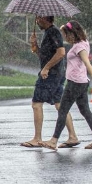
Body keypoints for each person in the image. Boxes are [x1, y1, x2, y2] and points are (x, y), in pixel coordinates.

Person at [40, 21, 92, 150]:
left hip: (75, 83)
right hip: (80, 82)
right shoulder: (82, 43)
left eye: (65, 34)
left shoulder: (80, 47)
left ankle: (53, 141)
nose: (64, 37)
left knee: (63, 110)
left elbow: (87, 63)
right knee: (85, 111)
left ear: (72, 33)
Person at [21, 16, 78, 148]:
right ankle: (73, 136)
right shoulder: (48, 33)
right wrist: (34, 46)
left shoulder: (53, 32)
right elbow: (44, 56)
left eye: (38, 19)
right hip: (55, 74)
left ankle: (37, 138)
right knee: (60, 105)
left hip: (51, 75)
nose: (36, 21)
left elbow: (61, 52)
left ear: (44, 18)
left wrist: (46, 68)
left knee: (36, 104)